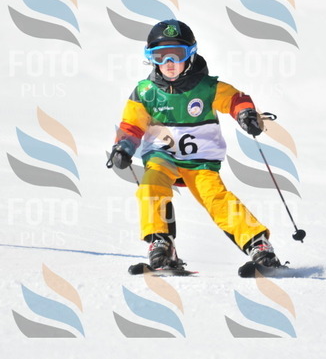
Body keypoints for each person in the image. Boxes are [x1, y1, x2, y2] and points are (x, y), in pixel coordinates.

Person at [107, 19, 282, 270]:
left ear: (190, 54)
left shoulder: (207, 88)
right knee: (151, 186)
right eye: (160, 56)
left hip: (200, 161)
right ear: (150, 58)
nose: (169, 62)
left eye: (176, 55)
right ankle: (160, 243)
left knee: (215, 198)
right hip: (161, 156)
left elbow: (235, 99)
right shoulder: (145, 92)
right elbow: (132, 125)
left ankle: (258, 244)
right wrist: (123, 147)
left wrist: (246, 114)